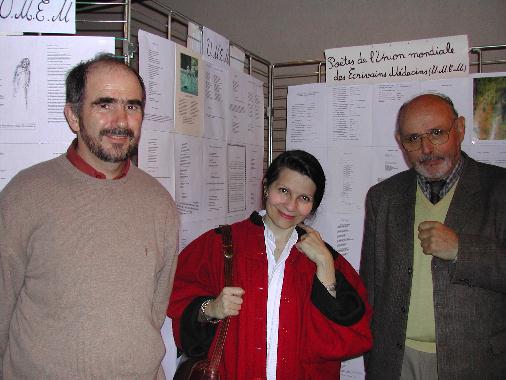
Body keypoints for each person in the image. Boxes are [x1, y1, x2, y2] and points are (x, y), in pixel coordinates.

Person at [0, 54, 179, 379]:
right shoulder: (24, 194)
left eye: (133, 106)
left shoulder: (160, 202)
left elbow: (153, 310)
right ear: (73, 116)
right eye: (105, 104)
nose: (121, 120)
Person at [168, 150, 372, 379]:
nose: (290, 206)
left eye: (304, 198)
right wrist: (210, 309)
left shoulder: (327, 258)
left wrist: (325, 267)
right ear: (266, 187)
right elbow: (176, 298)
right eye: (283, 191)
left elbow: (353, 337)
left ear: (313, 205)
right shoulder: (221, 244)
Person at [360, 93, 506, 380]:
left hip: (476, 361)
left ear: (460, 129)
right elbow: (372, 283)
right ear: (401, 143)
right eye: (413, 139)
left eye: (437, 133)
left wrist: (462, 251)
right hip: (396, 360)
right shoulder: (383, 197)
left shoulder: (500, 190)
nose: (426, 148)